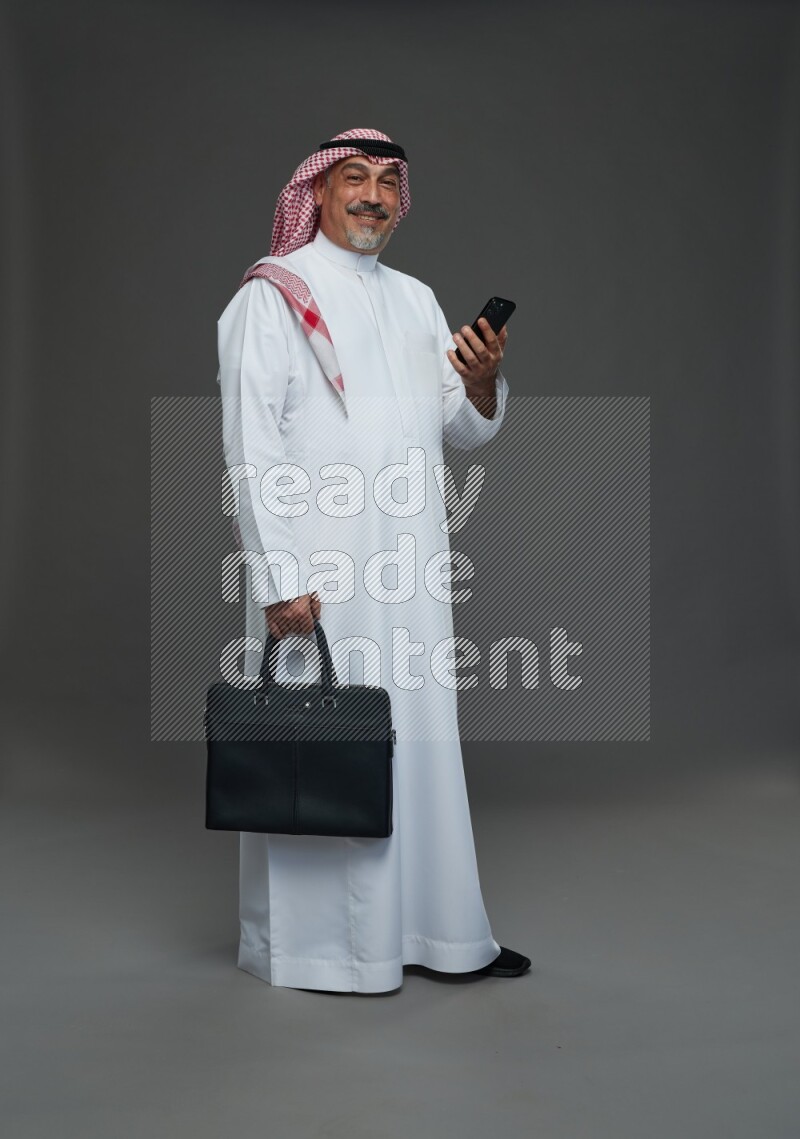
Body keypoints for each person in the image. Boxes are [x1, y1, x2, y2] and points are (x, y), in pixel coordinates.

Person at [217, 127, 530, 992]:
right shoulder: (271, 296)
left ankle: (437, 934)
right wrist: (280, 582)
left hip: (410, 568)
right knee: (323, 746)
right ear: (316, 192)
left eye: (389, 182)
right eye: (354, 178)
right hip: (319, 577)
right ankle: (326, 951)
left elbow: (461, 427)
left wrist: (479, 379)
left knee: (416, 741)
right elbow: (250, 448)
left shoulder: (417, 299)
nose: (373, 196)